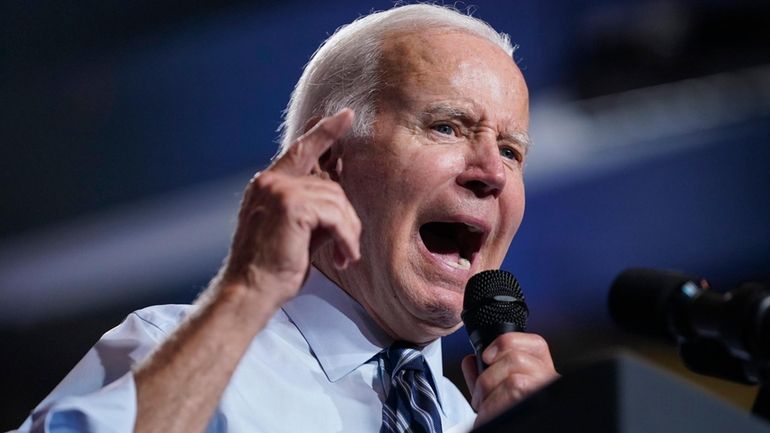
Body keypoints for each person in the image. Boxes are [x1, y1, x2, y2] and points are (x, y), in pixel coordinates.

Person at [14, 4, 558, 433]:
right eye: (447, 126)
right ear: (326, 159)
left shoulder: (484, 424)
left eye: (512, 151)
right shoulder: (178, 357)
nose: (492, 172)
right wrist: (246, 293)